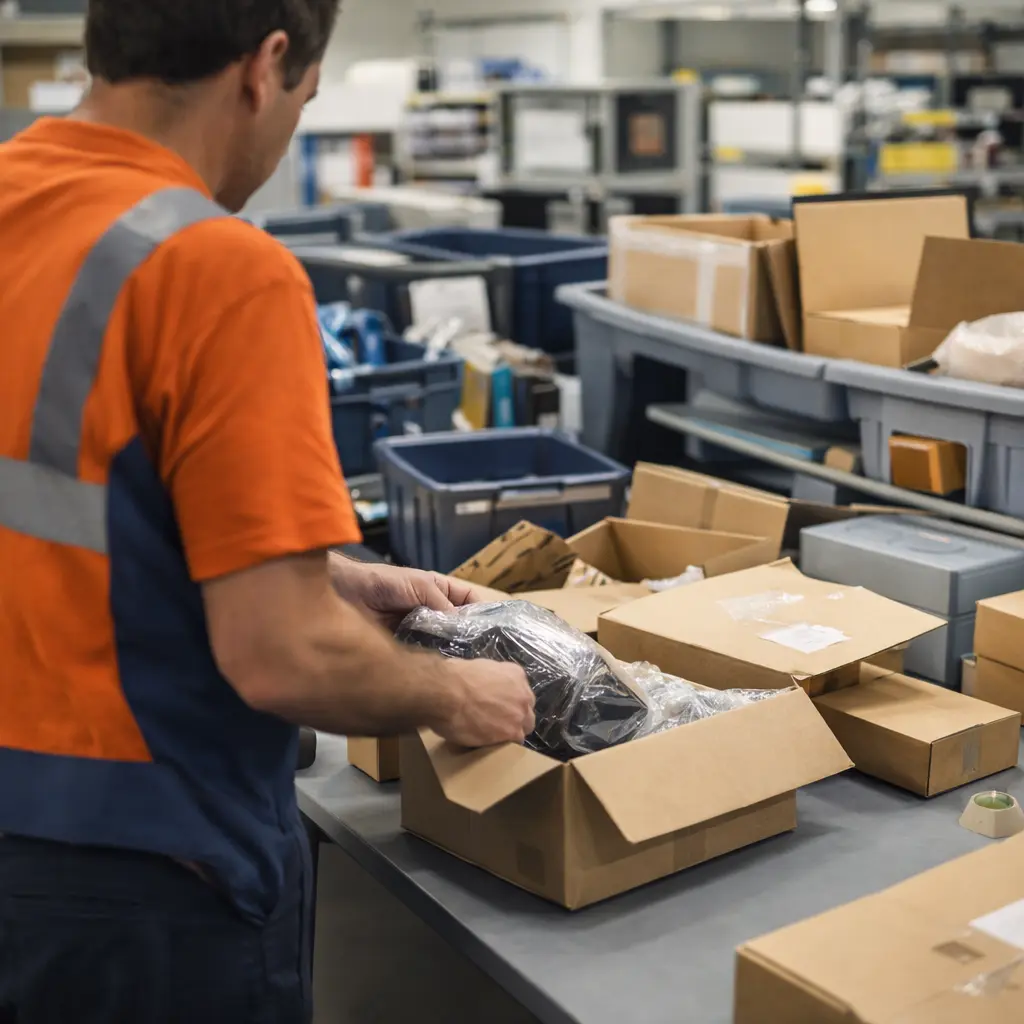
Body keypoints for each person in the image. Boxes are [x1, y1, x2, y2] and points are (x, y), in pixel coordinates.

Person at [0, 2, 535, 1022]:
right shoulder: (217, 268)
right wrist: (458, 698)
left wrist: (323, 569)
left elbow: (69, 497)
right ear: (267, 66)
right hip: (135, 875)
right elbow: (281, 656)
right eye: (306, 98)